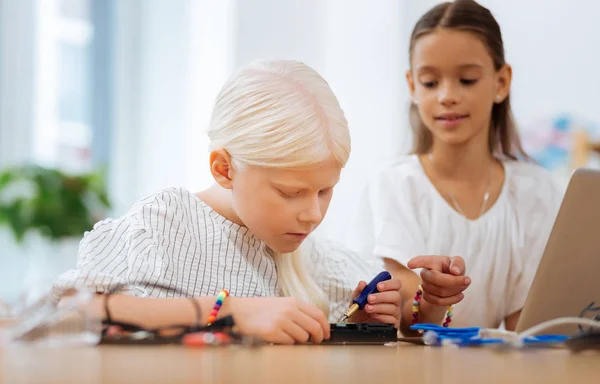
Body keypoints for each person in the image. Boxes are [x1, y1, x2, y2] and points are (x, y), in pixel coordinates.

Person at [52, 59, 412, 345]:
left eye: (324, 191)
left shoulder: (309, 254)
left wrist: (358, 326)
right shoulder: (165, 221)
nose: (313, 214)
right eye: (289, 193)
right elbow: (75, 311)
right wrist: (231, 311)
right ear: (224, 168)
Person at [348, 0, 563, 335]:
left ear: (501, 82)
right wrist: (432, 299)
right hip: (415, 379)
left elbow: (534, 329)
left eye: (466, 79)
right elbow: (408, 323)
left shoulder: (537, 191)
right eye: (431, 83)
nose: (447, 95)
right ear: (412, 87)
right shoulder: (395, 185)